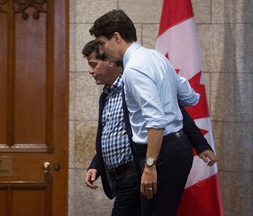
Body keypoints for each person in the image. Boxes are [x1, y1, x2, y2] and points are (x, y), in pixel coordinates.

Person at [89, 9, 216, 216]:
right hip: (176, 148)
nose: (102, 49)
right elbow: (189, 97)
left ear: (117, 37)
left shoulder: (134, 69)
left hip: (161, 152)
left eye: (103, 43)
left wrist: (149, 166)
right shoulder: (155, 57)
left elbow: (155, 121)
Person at [82, 40, 141, 216]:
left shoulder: (131, 84)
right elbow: (110, 134)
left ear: (110, 61)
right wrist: (97, 165)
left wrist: (201, 145)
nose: (90, 71)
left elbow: (169, 112)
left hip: (134, 172)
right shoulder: (106, 95)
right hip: (117, 177)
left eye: (93, 65)